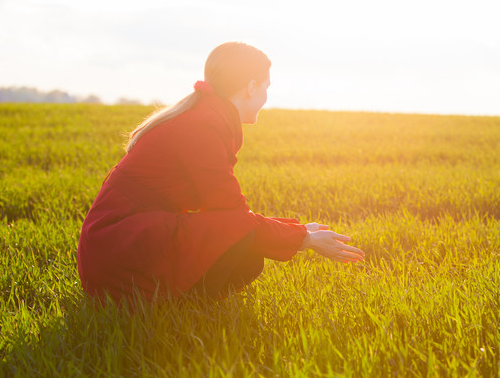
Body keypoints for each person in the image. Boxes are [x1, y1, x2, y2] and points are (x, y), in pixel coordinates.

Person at [77, 42, 365, 304]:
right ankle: (169, 306)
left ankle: (180, 306)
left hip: (116, 249)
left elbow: (227, 213)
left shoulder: (206, 116)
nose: (266, 97)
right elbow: (233, 217)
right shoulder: (203, 126)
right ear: (251, 87)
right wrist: (304, 238)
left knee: (245, 252)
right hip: (114, 254)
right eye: (266, 87)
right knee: (242, 246)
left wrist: (300, 232)